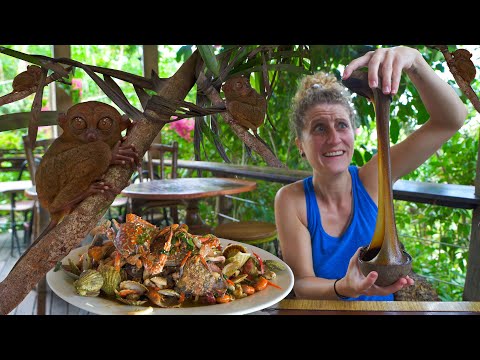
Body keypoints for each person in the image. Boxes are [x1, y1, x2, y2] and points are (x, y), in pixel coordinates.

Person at [274, 46, 467, 301]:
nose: (334, 139)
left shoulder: (374, 177)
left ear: (353, 133)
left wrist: (416, 62)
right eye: (319, 128)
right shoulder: (291, 199)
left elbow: (451, 119)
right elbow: (302, 285)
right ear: (300, 144)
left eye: (342, 125)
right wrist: (344, 287)